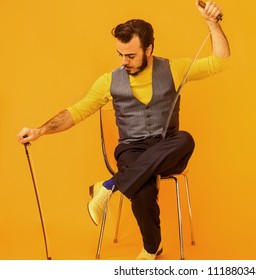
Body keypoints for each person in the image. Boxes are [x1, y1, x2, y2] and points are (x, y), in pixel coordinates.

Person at [17, 0, 230, 260]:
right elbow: (78, 110)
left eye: (131, 55)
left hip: (168, 147)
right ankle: (153, 248)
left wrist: (212, 24)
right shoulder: (109, 81)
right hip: (132, 150)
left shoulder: (173, 69)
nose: (124, 61)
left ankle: (108, 187)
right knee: (140, 189)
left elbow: (219, 62)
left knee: (185, 138)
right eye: (120, 54)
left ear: (149, 49)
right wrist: (40, 131)